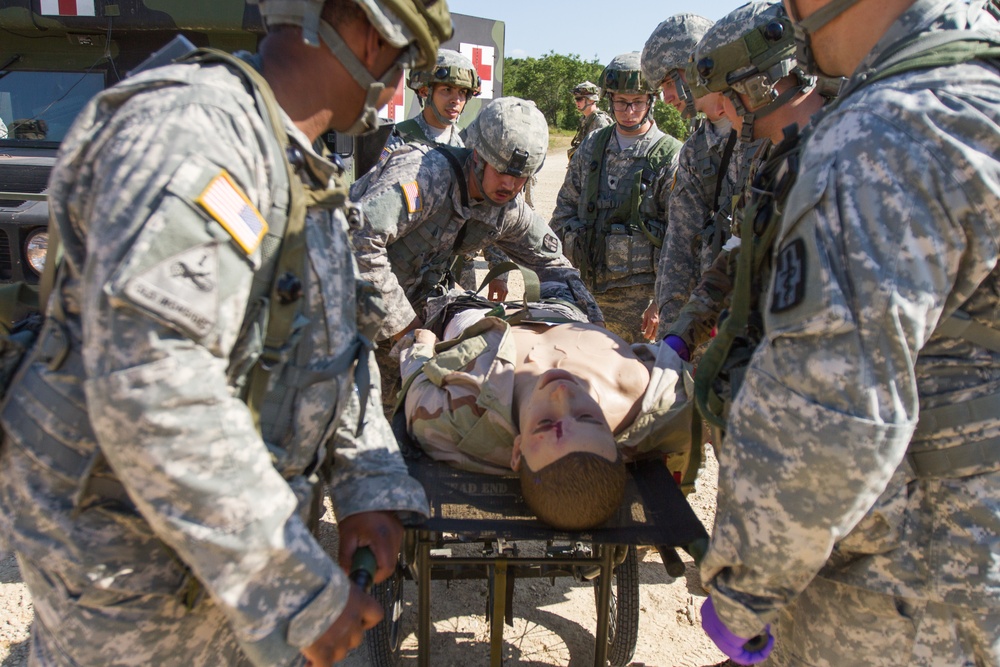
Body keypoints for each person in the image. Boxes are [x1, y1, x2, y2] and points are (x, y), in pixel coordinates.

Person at [0, 0, 452, 665]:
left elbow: (332, 351)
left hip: (228, 575)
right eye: (405, 56)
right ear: (360, 29)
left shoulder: (301, 165)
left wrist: (369, 482)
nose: (399, 87)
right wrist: (291, 581)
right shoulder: (194, 133)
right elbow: (153, 384)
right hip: (131, 582)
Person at [697, 0, 1000, 664]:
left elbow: (825, 418)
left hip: (910, 591)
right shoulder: (978, 88)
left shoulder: (886, 130)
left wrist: (742, 596)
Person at [398, 291, 694, 530]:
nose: (562, 393)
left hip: (477, 317)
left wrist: (420, 344)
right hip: (564, 310)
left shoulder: (451, 418)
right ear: (619, 445)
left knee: (443, 295)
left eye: (545, 424)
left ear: (517, 451)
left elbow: (417, 377)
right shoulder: (652, 397)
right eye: (589, 418)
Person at [350, 95, 602, 345]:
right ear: (478, 157)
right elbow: (358, 238)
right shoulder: (424, 176)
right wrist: (405, 326)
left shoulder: (507, 209)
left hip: (395, 312)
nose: (510, 184)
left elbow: (555, 266)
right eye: (501, 170)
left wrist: (592, 324)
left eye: (522, 176)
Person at [660, 1, 828, 374]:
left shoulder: (851, 150)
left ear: (757, 87)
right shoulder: (770, 162)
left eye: (723, 96)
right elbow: (738, 254)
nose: (719, 110)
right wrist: (681, 336)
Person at [550, 52, 682, 344]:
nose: (629, 110)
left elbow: (679, 238)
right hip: (585, 291)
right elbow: (564, 211)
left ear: (651, 101)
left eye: (637, 101)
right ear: (610, 99)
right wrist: (557, 279)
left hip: (639, 300)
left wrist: (661, 302)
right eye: (621, 101)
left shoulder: (670, 155)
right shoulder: (592, 146)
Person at [638, 13, 748, 346]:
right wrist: (673, 331)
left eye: (669, 83)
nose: (667, 97)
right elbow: (679, 242)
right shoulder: (695, 149)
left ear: (698, 65)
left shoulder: (767, 130)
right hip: (708, 316)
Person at [379, 48, 479, 158]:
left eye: (462, 92)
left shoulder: (466, 144)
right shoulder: (398, 139)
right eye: (447, 90)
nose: (456, 100)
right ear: (424, 91)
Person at [567, 80, 613, 160]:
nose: (576, 102)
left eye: (579, 99)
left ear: (591, 100)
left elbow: (606, 152)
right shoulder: (585, 119)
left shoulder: (600, 121)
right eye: (576, 99)